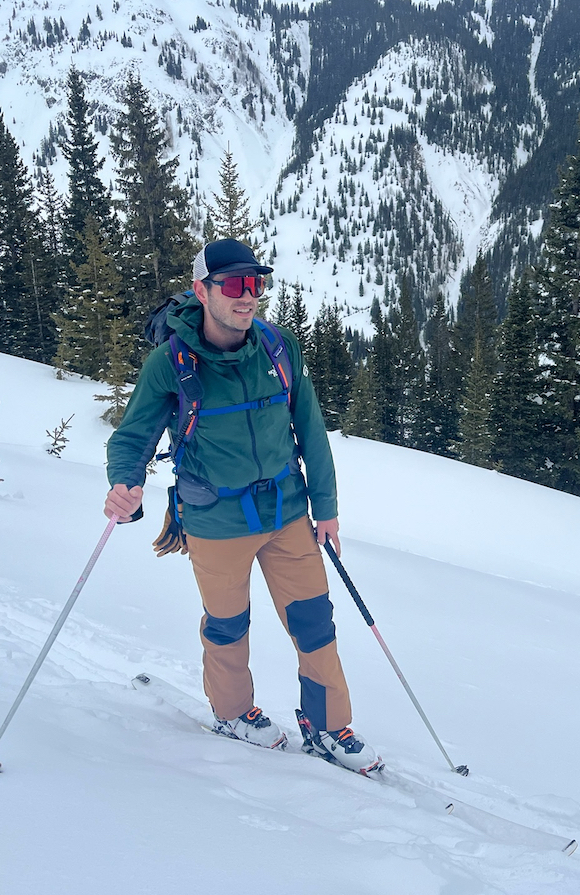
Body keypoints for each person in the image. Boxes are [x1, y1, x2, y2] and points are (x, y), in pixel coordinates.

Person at [103, 237, 380, 774]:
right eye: (233, 285)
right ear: (201, 291)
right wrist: (125, 484)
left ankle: (325, 725)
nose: (247, 295)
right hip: (215, 520)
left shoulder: (279, 348)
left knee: (314, 621)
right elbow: (132, 438)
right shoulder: (171, 365)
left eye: (254, 284)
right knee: (228, 624)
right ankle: (233, 714)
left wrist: (325, 507)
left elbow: (312, 429)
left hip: (288, 512)